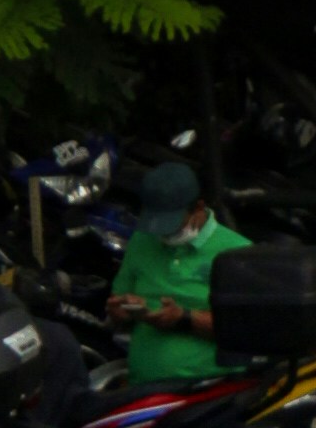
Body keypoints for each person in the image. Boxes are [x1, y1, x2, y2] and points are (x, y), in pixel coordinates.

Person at [106, 158, 248, 387]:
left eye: (171, 225)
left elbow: (247, 329)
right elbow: (119, 298)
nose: (163, 234)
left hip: (210, 386)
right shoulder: (143, 240)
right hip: (144, 384)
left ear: (199, 208)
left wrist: (184, 319)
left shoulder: (237, 252)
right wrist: (122, 311)